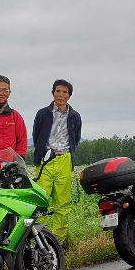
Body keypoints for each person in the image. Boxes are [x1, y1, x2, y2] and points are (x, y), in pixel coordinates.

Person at [32, 79, 82, 246]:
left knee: (63, 203)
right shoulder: (42, 114)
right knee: (40, 201)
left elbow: (76, 138)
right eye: (58, 91)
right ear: (53, 93)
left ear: (69, 96)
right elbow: (36, 136)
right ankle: (39, 243)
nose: (61, 95)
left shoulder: (75, 116)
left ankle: (58, 243)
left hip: (65, 160)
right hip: (46, 160)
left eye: (65, 92)